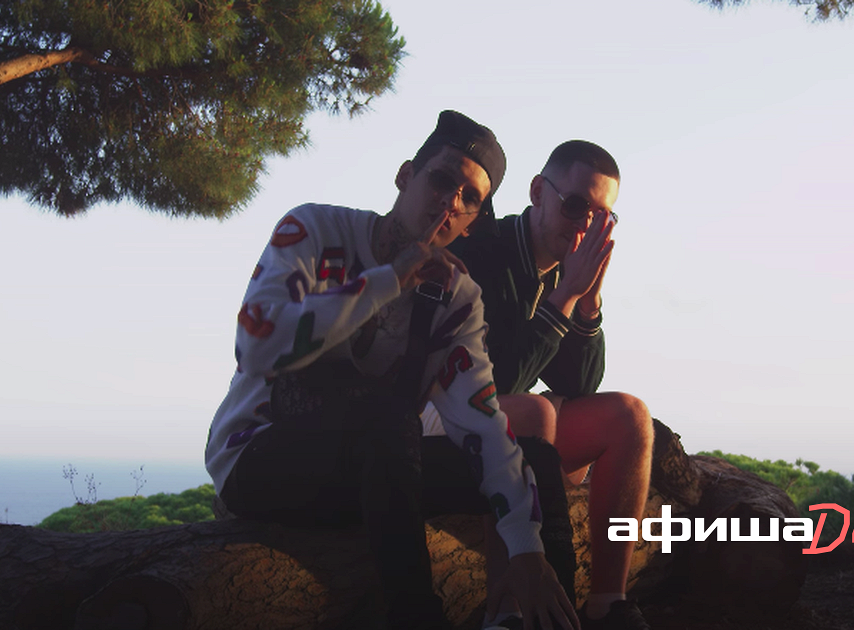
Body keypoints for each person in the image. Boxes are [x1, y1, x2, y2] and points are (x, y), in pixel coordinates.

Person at [204, 111, 581, 630]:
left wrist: (525, 548)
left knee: (534, 460)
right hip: (260, 457)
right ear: (405, 175)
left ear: (472, 221)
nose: (449, 203)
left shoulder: (457, 299)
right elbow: (256, 348)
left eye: (469, 198)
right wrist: (389, 279)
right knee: (389, 418)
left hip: (378, 471)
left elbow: (481, 422)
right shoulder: (314, 229)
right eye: (441, 180)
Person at [438, 140, 654, 630]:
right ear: (538, 191)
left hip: (515, 433)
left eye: (600, 219)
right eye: (575, 206)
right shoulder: (482, 253)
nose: (583, 226)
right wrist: (564, 297)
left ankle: (608, 603)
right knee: (533, 413)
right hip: (444, 428)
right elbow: (487, 390)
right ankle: (509, 611)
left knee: (629, 416)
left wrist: (588, 302)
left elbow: (578, 383)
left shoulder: (564, 270)